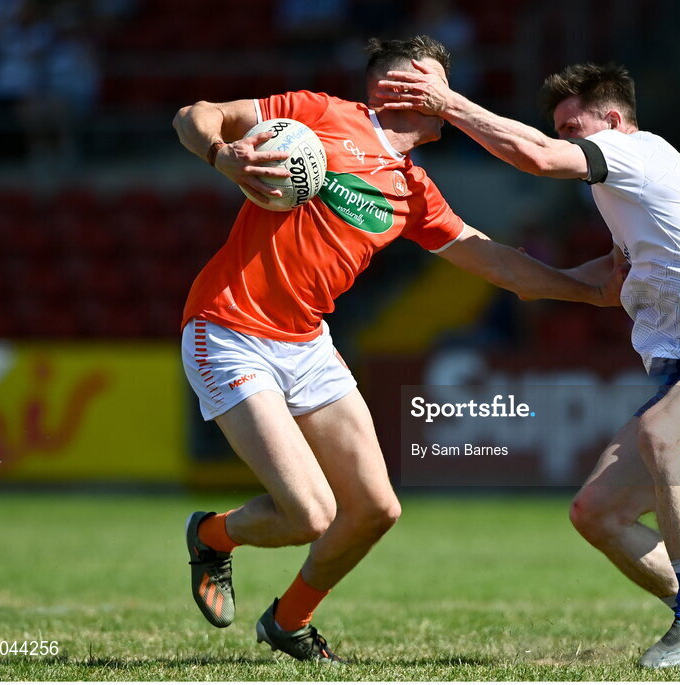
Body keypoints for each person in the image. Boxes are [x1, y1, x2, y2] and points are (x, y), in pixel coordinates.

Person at [172, 36, 622, 664]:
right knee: (308, 514)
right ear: (395, 87)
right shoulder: (319, 114)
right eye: (433, 80)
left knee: (376, 509)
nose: (445, 94)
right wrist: (223, 157)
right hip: (229, 331)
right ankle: (213, 535)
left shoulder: (414, 190)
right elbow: (194, 113)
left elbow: (498, 264)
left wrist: (591, 290)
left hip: (307, 342)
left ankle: (288, 622)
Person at [377, 61, 680, 668]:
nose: (567, 140)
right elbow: (606, 275)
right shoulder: (622, 190)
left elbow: (540, 158)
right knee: (596, 513)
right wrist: (536, 278)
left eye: (574, 127)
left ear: (614, 122)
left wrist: (447, 103)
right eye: (562, 129)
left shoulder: (639, 154)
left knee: (662, 433)